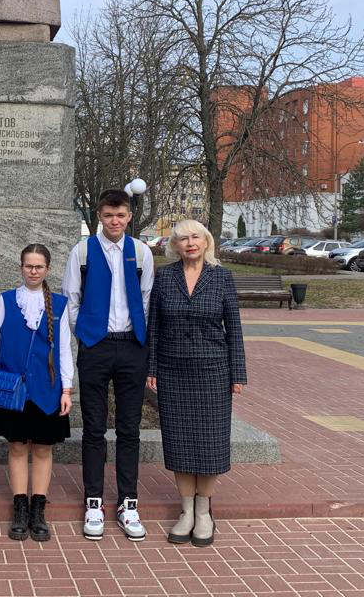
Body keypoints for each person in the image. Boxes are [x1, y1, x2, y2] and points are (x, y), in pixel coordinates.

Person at [146, 219, 247, 547]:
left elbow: (234, 328)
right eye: (182, 238)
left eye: (195, 237)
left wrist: (237, 373)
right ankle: (186, 510)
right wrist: (152, 367)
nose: (189, 243)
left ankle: (204, 511)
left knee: (210, 443)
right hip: (173, 370)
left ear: (206, 242)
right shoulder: (165, 277)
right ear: (174, 245)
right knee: (179, 442)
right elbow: (154, 326)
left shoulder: (222, 277)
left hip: (213, 371)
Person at [63, 188, 154, 541]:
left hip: (131, 347)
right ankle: (94, 502)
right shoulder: (83, 251)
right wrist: (85, 334)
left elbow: (146, 299)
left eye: (120, 215)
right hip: (96, 347)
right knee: (94, 428)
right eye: (108, 215)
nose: (114, 221)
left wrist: (139, 337)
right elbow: (72, 298)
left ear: (129, 216)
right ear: (98, 216)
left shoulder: (141, 252)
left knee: (130, 428)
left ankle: (128, 503)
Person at [0, 244, 73, 542]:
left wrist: (66, 389)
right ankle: (20, 508)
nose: (33, 271)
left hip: (47, 389)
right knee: (17, 447)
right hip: (14, 389)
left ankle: (38, 509)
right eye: (28, 266)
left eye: (39, 266)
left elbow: (64, 350)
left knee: (43, 449)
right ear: (21, 267)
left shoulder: (60, 305)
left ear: (48, 269)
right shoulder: (7, 300)